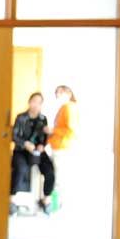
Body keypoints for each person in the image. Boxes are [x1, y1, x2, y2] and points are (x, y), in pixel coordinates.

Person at [10, 93, 49, 213]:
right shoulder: (21, 117)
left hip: (37, 152)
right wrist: (25, 144)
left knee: (49, 169)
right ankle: (11, 200)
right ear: (29, 102)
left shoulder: (43, 119)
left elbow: (44, 138)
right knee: (20, 169)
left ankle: (45, 200)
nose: (36, 104)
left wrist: (42, 145)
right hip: (21, 151)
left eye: (39, 102)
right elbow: (14, 136)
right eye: (34, 101)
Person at [44, 84, 79, 213]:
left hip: (63, 148)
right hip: (58, 146)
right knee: (58, 177)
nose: (58, 95)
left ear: (68, 93)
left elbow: (71, 130)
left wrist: (53, 130)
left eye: (60, 92)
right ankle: (55, 205)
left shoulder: (69, 107)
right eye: (56, 93)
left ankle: (54, 206)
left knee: (58, 179)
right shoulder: (64, 108)